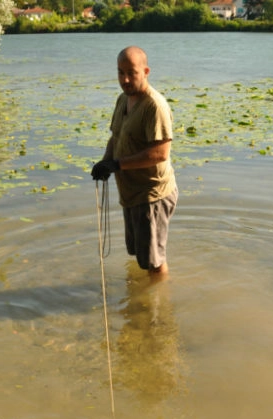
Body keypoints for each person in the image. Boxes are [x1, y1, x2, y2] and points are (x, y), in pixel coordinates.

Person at [91, 46, 178, 278]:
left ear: (146, 71)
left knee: (154, 262)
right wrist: (105, 162)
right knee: (139, 255)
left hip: (152, 195)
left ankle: (156, 308)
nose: (125, 79)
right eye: (120, 73)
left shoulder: (154, 106)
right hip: (131, 194)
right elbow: (116, 136)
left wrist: (117, 165)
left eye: (132, 73)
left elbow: (159, 154)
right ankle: (144, 299)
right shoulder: (123, 99)